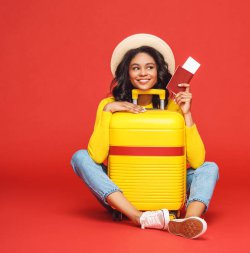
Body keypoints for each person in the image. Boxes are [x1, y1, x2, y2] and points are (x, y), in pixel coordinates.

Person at [70, 34, 219, 239]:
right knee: (80, 157)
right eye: (135, 67)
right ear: (127, 72)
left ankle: (189, 220)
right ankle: (139, 217)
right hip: (123, 190)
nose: (143, 73)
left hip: (168, 184)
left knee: (210, 168)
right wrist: (108, 111)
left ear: (159, 71)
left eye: (150, 67)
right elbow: (96, 157)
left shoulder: (173, 105)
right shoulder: (110, 105)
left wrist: (187, 114)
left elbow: (197, 160)